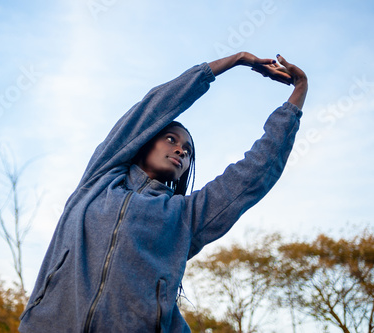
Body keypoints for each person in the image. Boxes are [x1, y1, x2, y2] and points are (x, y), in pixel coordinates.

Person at [19, 52, 308, 332]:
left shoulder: (185, 216)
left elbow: (254, 173)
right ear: (145, 141)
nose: (181, 149)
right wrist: (236, 60)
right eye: (171, 138)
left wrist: (298, 94)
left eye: (188, 151)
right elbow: (153, 108)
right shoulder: (98, 180)